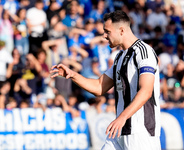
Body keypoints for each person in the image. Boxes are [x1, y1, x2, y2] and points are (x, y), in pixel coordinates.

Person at [50, 10, 161, 150]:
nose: (104, 36)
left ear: (121, 30)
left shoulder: (144, 52)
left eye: (107, 31)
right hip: (119, 132)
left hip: (141, 133)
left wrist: (122, 117)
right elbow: (99, 87)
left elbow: (146, 91)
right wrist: (73, 75)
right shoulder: (119, 57)